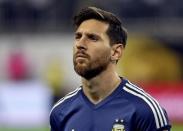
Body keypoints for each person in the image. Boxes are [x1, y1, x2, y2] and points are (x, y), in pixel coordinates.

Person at [49, 7, 171, 131]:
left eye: (92, 38)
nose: (80, 44)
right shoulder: (60, 111)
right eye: (78, 36)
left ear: (116, 52)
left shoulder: (145, 110)